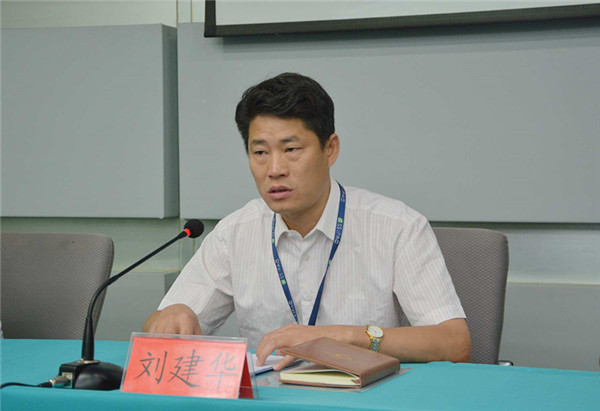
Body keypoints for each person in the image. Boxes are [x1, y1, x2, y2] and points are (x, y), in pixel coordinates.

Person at [144, 73, 471, 369]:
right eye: (260, 153)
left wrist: (341, 337)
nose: (275, 170)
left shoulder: (397, 227)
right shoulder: (234, 233)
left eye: (291, 149)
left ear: (330, 149)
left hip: (363, 400)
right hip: (270, 402)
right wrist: (171, 317)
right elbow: (159, 331)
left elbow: (454, 343)